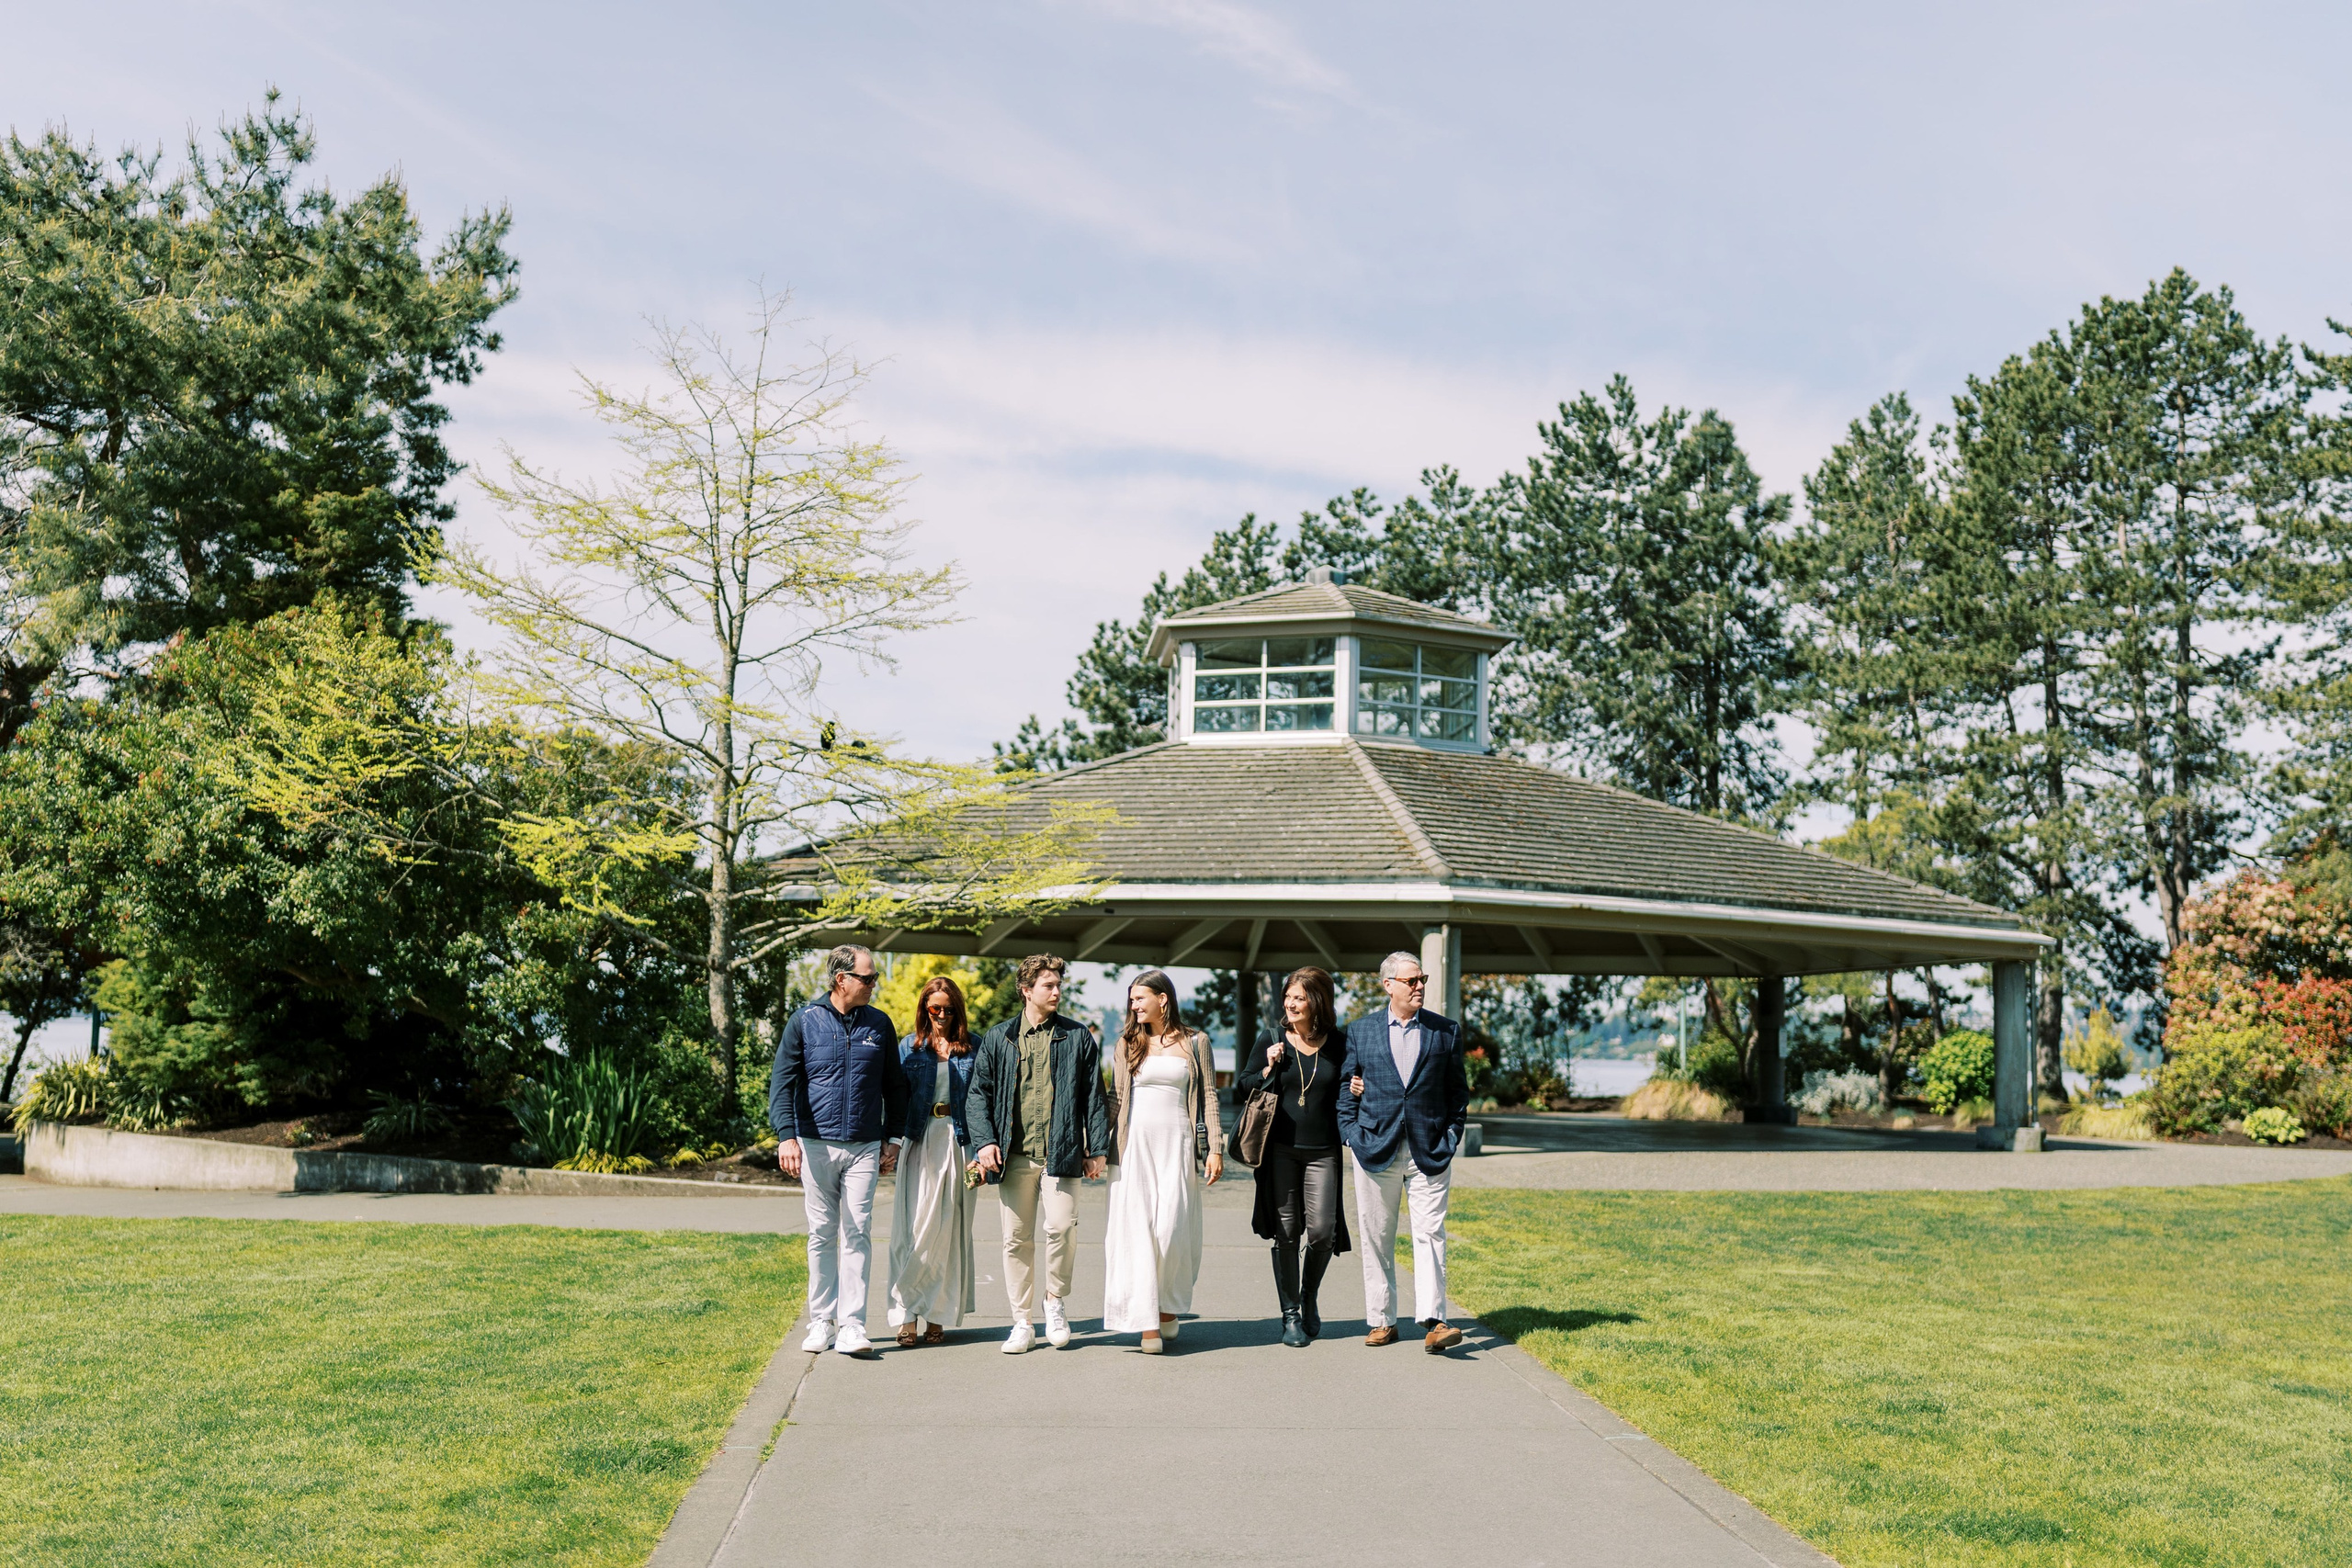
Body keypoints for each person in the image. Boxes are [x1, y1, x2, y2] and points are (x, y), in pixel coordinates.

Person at [963, 953, 1112, 1353]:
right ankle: (1022, 1322)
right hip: (1013, 1157)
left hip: (1062, 1154)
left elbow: (1093, 1096)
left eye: (1059, 984)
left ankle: (1055, 1301)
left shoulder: (1077, 1037)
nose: (1057, 991)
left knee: (1062, 1228)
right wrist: (985, 1141)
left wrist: (1098, 1148)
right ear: (1026, 990)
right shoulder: (1000, 1038)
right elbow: (977, 1095)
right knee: (1016, 1239)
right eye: (1049, 985)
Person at [772, 944, 906, 1358]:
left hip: (864, 1145)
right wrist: (787, 1136)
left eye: (874, 977)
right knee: (821, 1233)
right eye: (867, 977)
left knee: (857, 1231)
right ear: (841, 979)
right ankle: (821, 1321)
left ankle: (852, 1325)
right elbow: (782, 1083)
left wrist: (894, 1138)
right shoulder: (804, 1021)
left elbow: (895, 1086)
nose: (874, 984)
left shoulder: (879, 1024)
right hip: (815, 1144)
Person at [1337, 951, 1470, 1354]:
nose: (1419, 987)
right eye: (1411, 981)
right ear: (1388, 985)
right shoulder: (1361, 1031)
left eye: (1422, 979)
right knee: (1377, 1236)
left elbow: (1458, 1094)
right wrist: (1351, 1135)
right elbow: (1346, 1090)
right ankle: (1382, 1320)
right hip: (1374, 1148)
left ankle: (1435, 1320)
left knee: (1430, 1233)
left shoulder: (1445, 1031)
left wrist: (1451, 1137)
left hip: (1429, 1151)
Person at [1102, 970, 1223, 1352]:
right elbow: (1115, 1097)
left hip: (1178, 1146)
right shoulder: (1127, 1043)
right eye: (1131, 1000)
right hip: (1133, 1148)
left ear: (1163, 998)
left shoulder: (1196, 1042)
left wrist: (1215, 1147)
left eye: (1140, 998)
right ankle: (1147, 1324)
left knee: (1172, 1230)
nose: (1134, 1006)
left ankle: (1167, 1306)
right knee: (1137, 1234)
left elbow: (1209, 1095)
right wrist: (1095, 1147)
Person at [1235, 965, 1351, 1348]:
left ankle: (1309, 1295)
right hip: (1280, 1151)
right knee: (1286, 1232)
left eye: (1299, 997)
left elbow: (1348, 1085)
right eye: (1288, 997)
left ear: (1318, 1001)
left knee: (1322, 1232)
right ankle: (1290, 1315)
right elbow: (1243, 1086)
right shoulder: (1271, 1038)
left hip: (1323, 1151)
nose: (1291, 1003)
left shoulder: (1339, 1043)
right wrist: (1268, 1066)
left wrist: (1357, 1087)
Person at [886, 975, 978, 1348]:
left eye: (948, 1009)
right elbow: (894, 1099)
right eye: (934, 1008)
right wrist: (891, 1143)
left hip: (959, 1143)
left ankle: (937, 1314)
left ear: (958, 1010)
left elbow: (983, 1101)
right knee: (911, 1230)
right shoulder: (909, 1047)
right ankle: (905, 1313)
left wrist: (983, 1153)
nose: (941, 1015)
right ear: (925, 1008)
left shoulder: (974, 1047)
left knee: (948, 1231)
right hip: (918, 1139)